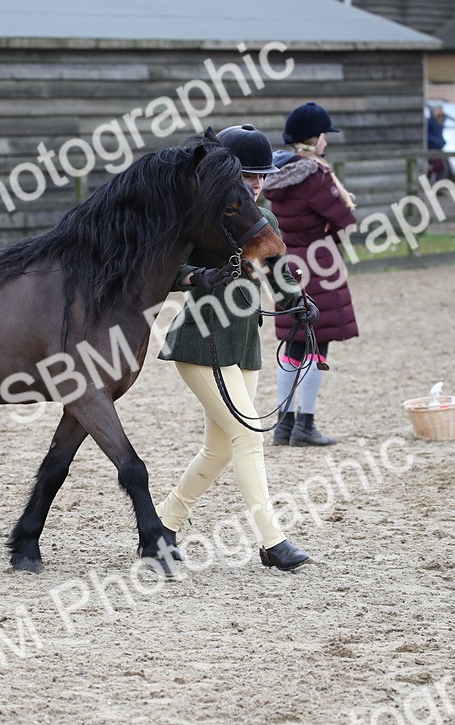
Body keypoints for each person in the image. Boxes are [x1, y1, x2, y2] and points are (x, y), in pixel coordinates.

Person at [154, 124, 317, 572]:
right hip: (200, 343)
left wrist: (298, 304)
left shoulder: (264, 222)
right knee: (248, 436)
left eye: (262, 175)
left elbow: (279, 275)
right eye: (248, 175)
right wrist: (198, 276)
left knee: (221, 449)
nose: (257, 183)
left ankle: (164, 523)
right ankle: (272, 541)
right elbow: (168, 269)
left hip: (243, 344)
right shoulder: (198, 218)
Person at [263, 102, 359, 447]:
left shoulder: (277, 173)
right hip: (319, 266)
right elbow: (345, 219)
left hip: (287, 263)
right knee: (319, 344)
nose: (326, 142)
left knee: (293, 343)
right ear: (313, 139)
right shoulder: (316, 175)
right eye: (323, 136)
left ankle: (283, 425)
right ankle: (306, 424)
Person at [427, 104, 448, 183]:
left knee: (441, 168)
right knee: (438, 167)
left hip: (438, 149)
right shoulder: (430, 122)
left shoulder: (440, 122)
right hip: (432, 149)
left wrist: (442, 142)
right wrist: (437, 141)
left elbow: (439, 135)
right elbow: (427, 136)